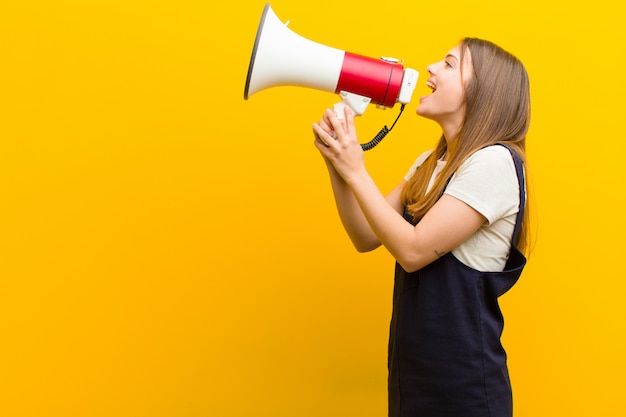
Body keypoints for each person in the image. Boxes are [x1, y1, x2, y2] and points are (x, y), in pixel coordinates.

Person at [312, 37, 531, 417]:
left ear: (483, 91)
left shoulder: (495, 161)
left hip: (463, 393)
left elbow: (413, 252)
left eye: (448, 64)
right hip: (413, 382)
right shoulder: (432, 161)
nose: (430, 68)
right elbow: (365, 235)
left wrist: (355, 169)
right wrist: (337, 162)